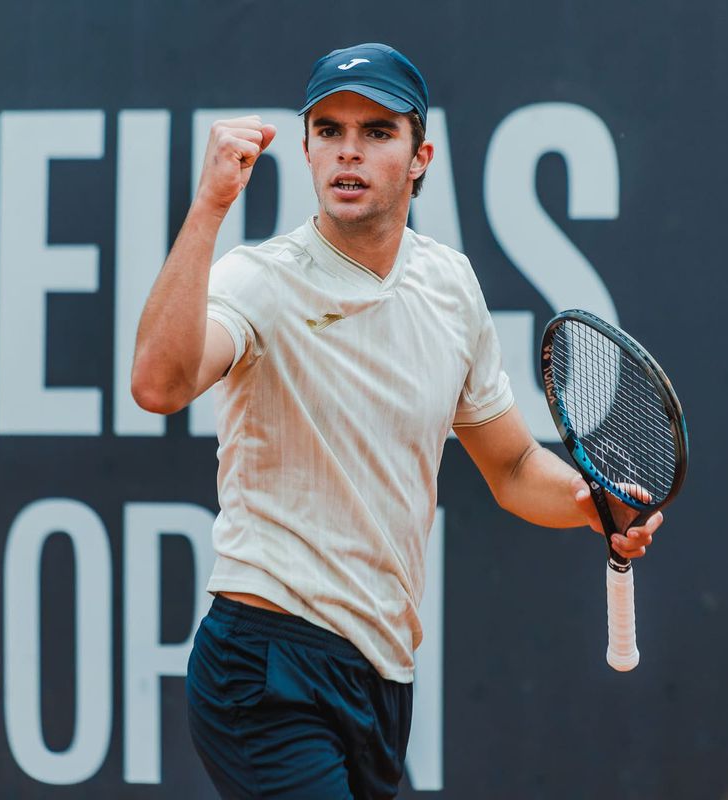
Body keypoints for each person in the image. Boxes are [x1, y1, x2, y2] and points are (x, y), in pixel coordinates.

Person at [131, 42, 663, 800]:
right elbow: (157, 383)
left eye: (377, 132)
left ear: (420, 156)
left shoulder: (449, 286)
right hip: (263, 665)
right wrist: (209, 206)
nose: (348, 151)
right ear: (308, 147)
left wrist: (588, 500)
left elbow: (510, 468)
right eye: (329, 130)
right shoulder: (258, 280)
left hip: (379, 675)